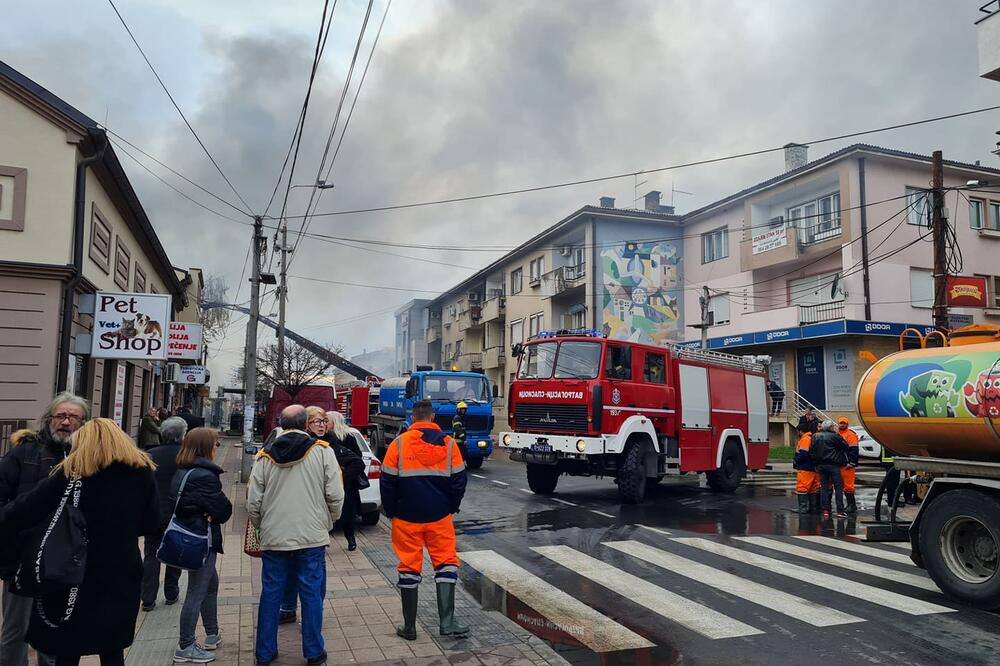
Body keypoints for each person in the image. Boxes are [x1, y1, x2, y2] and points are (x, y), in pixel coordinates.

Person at [0, 418, 159, 666]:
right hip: (120, 573)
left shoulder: (71, 473)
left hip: (71, 572)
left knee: (67, 648)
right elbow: (152, 524)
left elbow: (24, 511)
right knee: (112, 648)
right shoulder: (141, 474)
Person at [248, 405, 344, 666]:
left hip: (274, 536)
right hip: (311, 536)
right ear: (305, 425)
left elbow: (253, 502)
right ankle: (314, 653)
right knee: (312, 593)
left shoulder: (264, 456)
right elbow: (335, 494)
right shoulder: (322, 453)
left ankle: (264, 653)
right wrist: (329, 520)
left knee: (270, 594)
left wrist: (262, 525)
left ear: (280, 423)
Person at [0, 392, 89, 666]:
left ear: (84, 422)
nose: (66, 422)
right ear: (49, 419)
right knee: (16, 629)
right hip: (22, 558)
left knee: (56, 627)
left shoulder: (88, 458)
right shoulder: (24, 454)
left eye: (73, 417)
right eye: (60, 416)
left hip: (65, 560)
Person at [381, 400, 468, 641]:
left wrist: (391, 511)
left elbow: (387, 482)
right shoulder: (449, 445)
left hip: (406, 518)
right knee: (447, 563)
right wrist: (451, 506)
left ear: (412, 418)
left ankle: (409, 627)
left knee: (408, 567)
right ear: (432, 418)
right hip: (439, 517)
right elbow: (460, 481)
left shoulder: (398, 444)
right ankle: (447, 623)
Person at [170, 428, 232, 663]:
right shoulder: (204, 475)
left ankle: (212, 633)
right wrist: (211, 514)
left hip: (194, 536)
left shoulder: (184, 470)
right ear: (205, 447)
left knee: (211, 585)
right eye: (216, 444)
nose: (218, 447)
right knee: (196, 591)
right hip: (201, 540)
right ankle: (185, 645)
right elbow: (224, 510)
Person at [142, 417, 188, 611]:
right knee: (174, 552)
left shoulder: (149, 455)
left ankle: (148, 598)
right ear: (182, 435)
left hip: (153, 513)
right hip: (178, 513)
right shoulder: (185, 456)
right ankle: (171, 592)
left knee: (151, 555)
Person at [326, 411, 366, 552]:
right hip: (338, 479)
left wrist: (343, 473)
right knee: (339, 510)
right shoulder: (325, 438)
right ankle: (346, 539)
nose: (325, 424)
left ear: (334, 422)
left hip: (346, 481)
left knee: (346, 511)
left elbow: (358, 458)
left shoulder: (347, 437)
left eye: (327, 421)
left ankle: (350, 539)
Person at [810, 420, 849, 519]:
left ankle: (825, 510)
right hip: (833, 464)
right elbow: (845, 446)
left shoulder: (815, 436)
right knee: (838, 488)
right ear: (831, 427)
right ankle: (840, 510)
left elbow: (812, 450)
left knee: (824, 487)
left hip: (821, 465)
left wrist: (815, 463)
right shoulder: (834, 436)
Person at [792, 424, 819, 514]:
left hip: (805, 467)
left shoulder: (805, 439)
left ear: (800, 431)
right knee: (813, 489)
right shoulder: (812, 437)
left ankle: (803, 508)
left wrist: (796, 460)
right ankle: (813, 508)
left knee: (802, 488)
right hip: (812, 467)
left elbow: (803, 453)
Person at [837, 417, 860, 514]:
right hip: (839, 463)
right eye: (840, 423)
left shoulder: (850, 435)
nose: (842, 425)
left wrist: (852, 462)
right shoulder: (836, 434)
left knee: (848, 486)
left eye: (844, 423)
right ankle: (850, 505)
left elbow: (854, 450)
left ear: (847, 424)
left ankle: (852, 505)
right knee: (843, 486)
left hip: (847, 464)